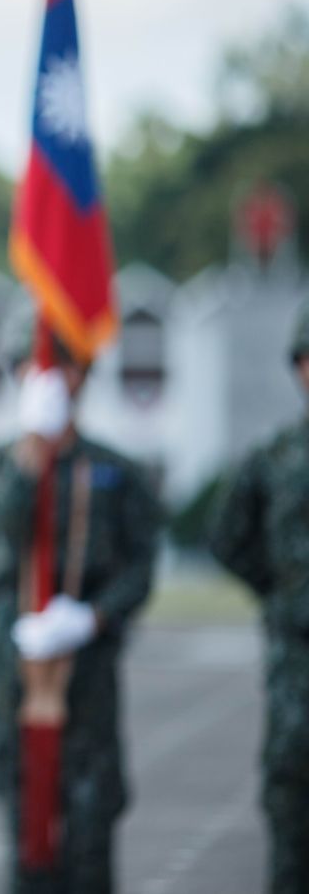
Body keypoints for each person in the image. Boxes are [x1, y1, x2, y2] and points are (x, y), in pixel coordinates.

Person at [0, 320, 160, 894]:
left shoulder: (117, 470)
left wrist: (94, 616)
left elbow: (141, 567)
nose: (47, 377)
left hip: (86, 654)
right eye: (33, 367)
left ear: (82, 376)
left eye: (61, 366)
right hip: (16, 652)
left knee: (91, 822)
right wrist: (31, 451)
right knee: (28, 825)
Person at [209, 300, 309, 894]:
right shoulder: (274, 458)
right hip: (296, 661)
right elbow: (226, 537)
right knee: (292, 805)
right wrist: (278, 590)